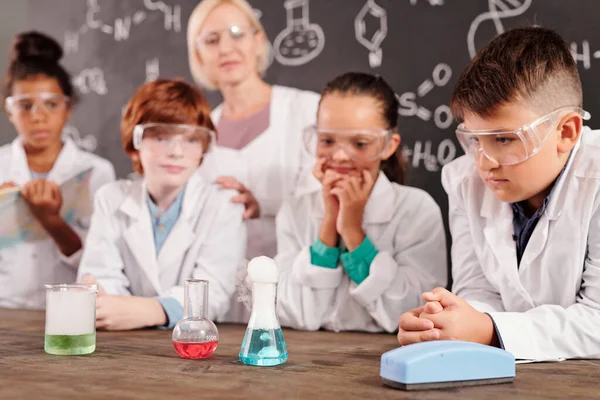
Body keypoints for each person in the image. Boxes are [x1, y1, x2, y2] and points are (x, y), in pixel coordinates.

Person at [397, 26, 600, 361]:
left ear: (566, 132)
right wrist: (445, 322)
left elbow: (596, 320)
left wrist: (487, 329)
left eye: (504, 139)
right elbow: (478, 290)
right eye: (475, 140)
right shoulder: (464, 181)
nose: (484, 163)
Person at [274, 72, 447, 333]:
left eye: (360, 143)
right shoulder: (294, 210)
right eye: (327, 140)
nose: (340, 156)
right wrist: (330, 222)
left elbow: (415, 313)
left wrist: (353, 231)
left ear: (388, 145)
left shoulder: (417, 210)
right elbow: (295, 314)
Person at [77, 79, 246, 330]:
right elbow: (101, 275)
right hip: (122, 345)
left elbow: (215, 292)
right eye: (161, 138)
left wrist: (152, 311)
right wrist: (102, 293)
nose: (177, 152)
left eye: (191, 140)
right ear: (136, 143)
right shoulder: (111, 198)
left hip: (197, 345)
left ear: (204, 147)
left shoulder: (223, 204)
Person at [187, 0, 320, 260]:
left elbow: (326, 206)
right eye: (211, 40)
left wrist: (264, 205)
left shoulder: (307, 110)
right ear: (199, 55)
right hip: (223, 289)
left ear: (258, 41)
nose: (226, 48)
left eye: (237, 33)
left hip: (301, 282)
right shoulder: (197, 137)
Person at [0, 31, 115, 309]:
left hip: (71, 310)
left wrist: (51, 220)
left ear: (68, 106)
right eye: (25, 105)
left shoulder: (95, 172)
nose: (38, 116)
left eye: (51, 104)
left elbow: (100, 261)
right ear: (9, 110)